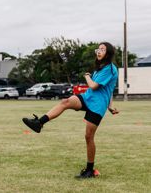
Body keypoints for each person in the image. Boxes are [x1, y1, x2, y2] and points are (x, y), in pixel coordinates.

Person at [22, 42, 119, 179]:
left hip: (97, 106)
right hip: (87, 98)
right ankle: (39, 123)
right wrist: (111, 105)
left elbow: (94, 86)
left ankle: (90, 170)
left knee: (88, 137)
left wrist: (87, 77)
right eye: (98, 49)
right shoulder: (100, 67)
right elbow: (108, 88)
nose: (99, 51)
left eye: (102, 49)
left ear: (108, 53)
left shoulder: (110, 69)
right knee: (65, 102)